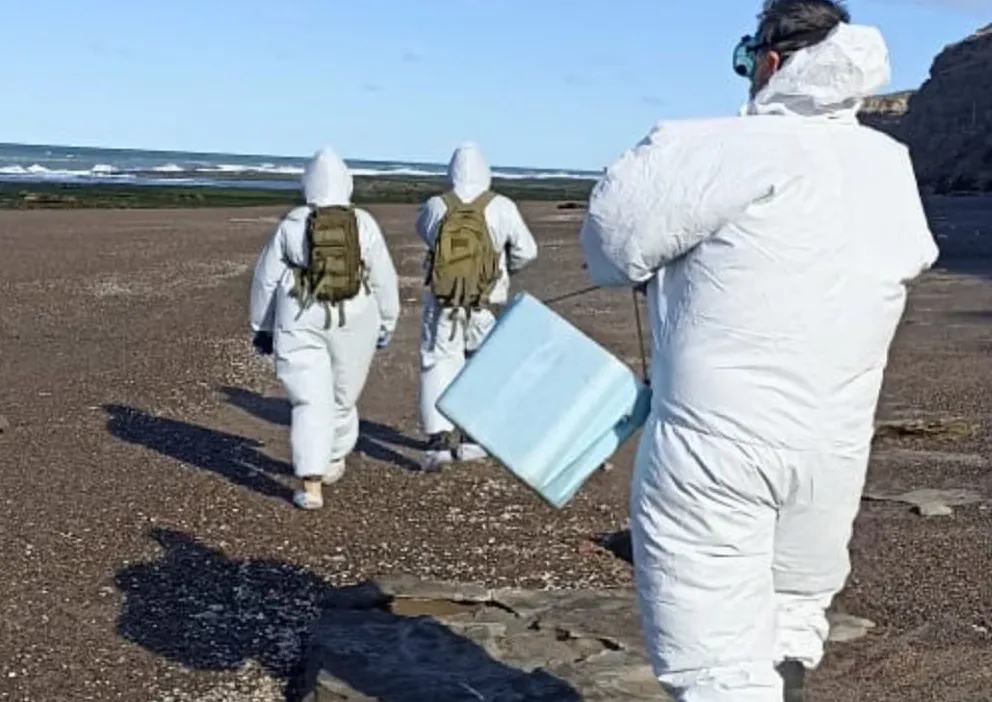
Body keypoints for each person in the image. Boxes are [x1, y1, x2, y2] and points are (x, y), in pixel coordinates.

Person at [579, 2, 939, 700]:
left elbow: (613, 241)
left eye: (748, 62)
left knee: (711, 651)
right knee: (793, 612)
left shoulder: (722, 149)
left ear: (770, 63)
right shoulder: (887, 167)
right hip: (833, 446)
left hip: (717, 446)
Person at [250, 148, 400, 510]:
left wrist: (261, 326)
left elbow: (266, 280)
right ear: (347, 182)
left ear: (307, 184)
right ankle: (332, 460)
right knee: (342, 398)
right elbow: (382, 277)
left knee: (308, 399)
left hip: (299, 311)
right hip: (356, 314)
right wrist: (388, 321)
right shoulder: (363, 222)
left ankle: (311, 483)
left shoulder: (293, 222)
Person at [417, 142, 538, 469]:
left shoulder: (435, 205)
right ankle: (472, 440)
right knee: (480, 364)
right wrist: (502, 271)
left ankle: (439, 442)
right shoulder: (502, 206)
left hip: (442, 302)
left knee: (438, 363)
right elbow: (527, 250)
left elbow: (426, 235)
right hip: (485, 303)